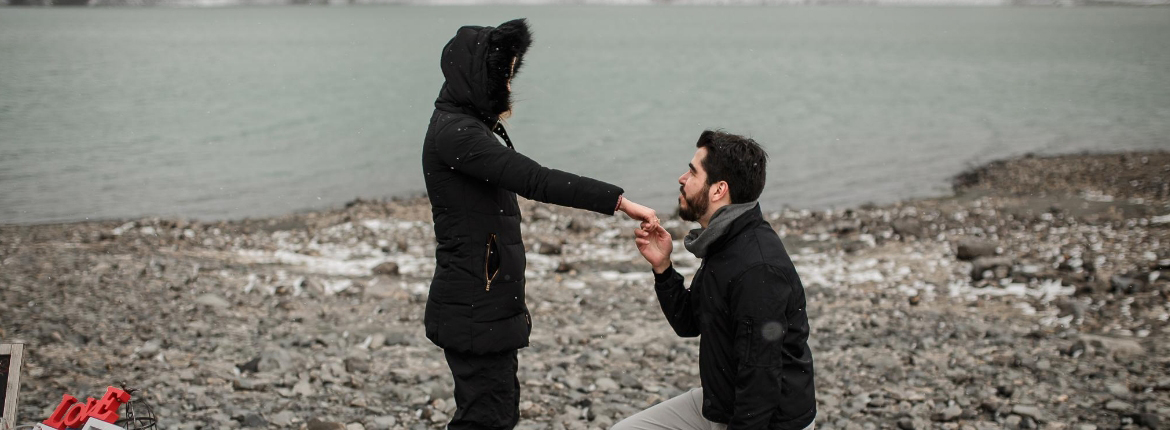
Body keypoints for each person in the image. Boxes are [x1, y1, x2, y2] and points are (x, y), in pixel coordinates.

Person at [421, 18, 658, 430]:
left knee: (498, 411)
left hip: (482, 300)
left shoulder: (466, 126)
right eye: (503, 77)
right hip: (473, 302)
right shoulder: (457, 134)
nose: (509, 88)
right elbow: (535, 178)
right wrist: (618, 201)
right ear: (479, 78)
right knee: (486, 417)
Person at [622, 130, 817, 430]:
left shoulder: (756, 268)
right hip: (722, 403)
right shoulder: (725, 243)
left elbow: (761, 379)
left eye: (692, 171)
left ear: (718, 190)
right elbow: (689, 323)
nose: (681, 178)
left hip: (766, 420)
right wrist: (663, 268)